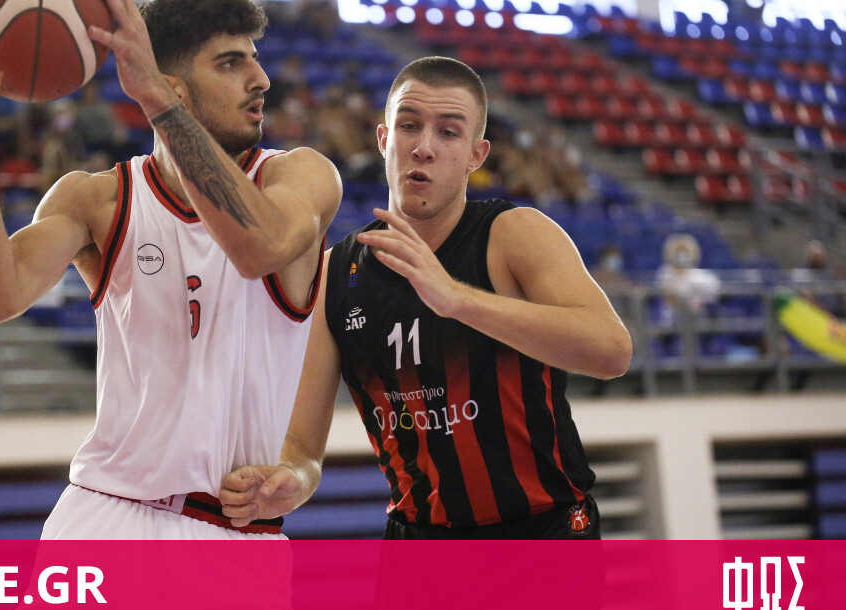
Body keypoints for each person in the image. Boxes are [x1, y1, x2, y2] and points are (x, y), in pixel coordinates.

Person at [0, 0, 340, 540]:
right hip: (106, 516)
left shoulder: (300, 176)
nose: (260, 79)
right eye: (230, 62)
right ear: (172, 86)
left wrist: (297, 475)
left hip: (238, 529)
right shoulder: (97, 198)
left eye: (254, 58)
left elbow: (260, 247)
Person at [221, 57, 632, 541]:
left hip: (542, 532)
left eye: (449, 133)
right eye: (409, 126)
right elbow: (302, 448)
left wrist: (457, 299)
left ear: (476, 154)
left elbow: (612, 352)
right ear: (383, 139)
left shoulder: (515, 234)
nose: (424, 147)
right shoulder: (335, 273)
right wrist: (290, 480)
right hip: (416, 538)